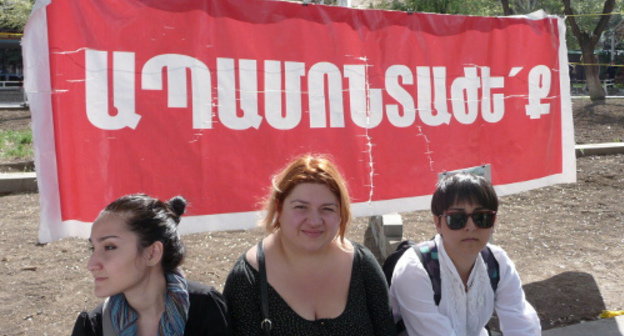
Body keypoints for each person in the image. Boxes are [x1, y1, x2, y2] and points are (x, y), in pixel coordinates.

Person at [223, 154, 396, 336]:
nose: (314, 221)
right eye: (301, 207)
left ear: (341, 213)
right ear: (279, 207)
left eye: (327, 209)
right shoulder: (247, 279)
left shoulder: (362, 265)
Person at [389, 173, 541, 336]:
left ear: (494, 221)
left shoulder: (497, 262)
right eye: (457, 218)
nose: (471, 227)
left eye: (482, 217)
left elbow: (521, 323)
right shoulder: (415, 270)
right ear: (438, 222)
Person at [71, 194, 231, 336]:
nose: (91, 264)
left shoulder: (204, 309)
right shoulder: (93, 327)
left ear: (152, 253)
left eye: (110, 247)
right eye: (93, 248)